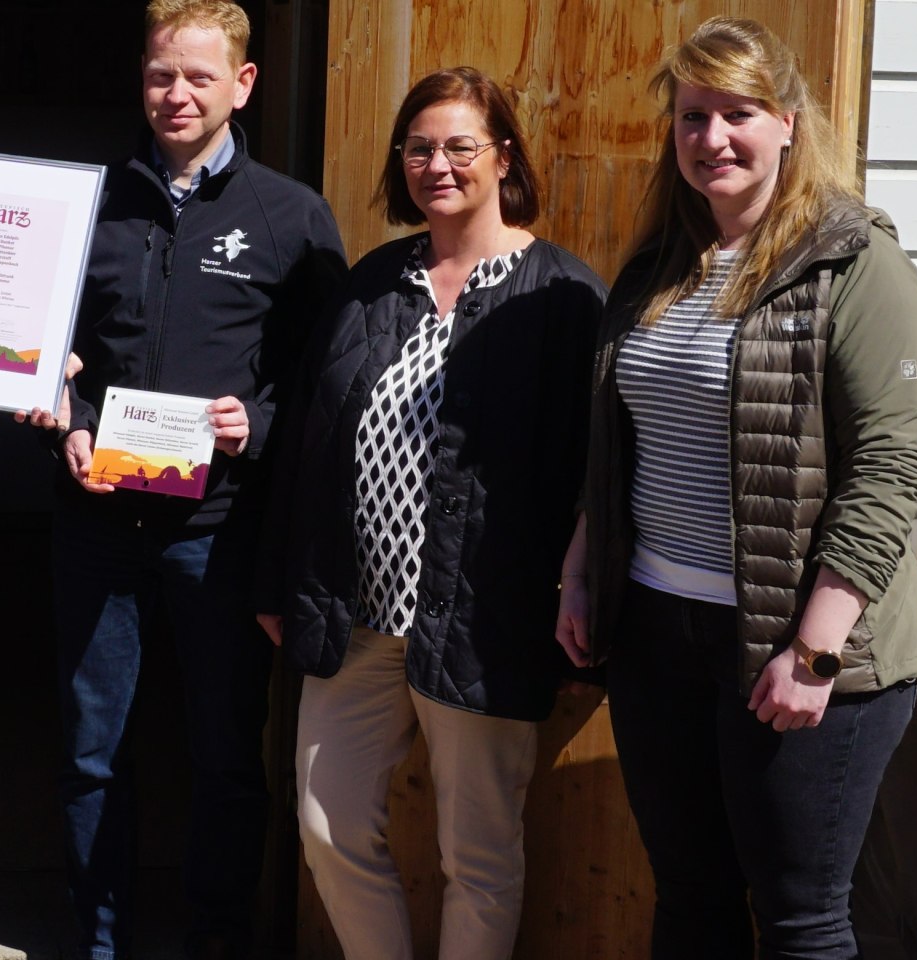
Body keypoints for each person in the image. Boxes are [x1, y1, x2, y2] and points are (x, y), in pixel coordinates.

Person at [553, 17, 917, 960]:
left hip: (799, 646)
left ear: (788, 124)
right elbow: (619, 442)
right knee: (690, 901)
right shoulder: (657, 269)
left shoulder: (855, 264)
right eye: (693, 116)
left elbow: (895, 463)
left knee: (801, 918)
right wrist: (580, 570)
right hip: (656, 630)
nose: (713, 138)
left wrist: (814, 651)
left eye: (739, 113)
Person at [254, 67, 604, 959]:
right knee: (326, 825)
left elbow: (596, 463)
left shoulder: (561, 293)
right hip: (357, 614)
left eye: (459, 146)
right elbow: (307, 438)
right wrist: (277, 578)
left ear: (503, 157)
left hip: (482, 620)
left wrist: (583, 586)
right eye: (418, 148)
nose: (436, 165)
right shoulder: (374, 280)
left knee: (478, 855)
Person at [49, 2, 346, 957]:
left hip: (218, 530)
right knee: (92, 755)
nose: (176, 96)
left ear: (243, 85)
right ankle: (99, 941)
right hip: (98, 524)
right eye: (160, 76)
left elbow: (325, 381)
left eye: (198, 78)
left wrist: (252, 425)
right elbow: (54, 352)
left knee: (225, 757)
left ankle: (218, 937)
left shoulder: (291, 216)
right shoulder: (91, 203)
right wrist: (71, 425)